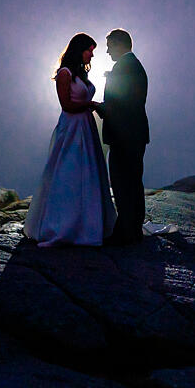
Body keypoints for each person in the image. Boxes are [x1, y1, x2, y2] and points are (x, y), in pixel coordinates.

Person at [24, 33, 116, 247]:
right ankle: (64, 224)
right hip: (72, 128)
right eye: (89, 50)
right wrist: (91, 105)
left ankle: (89, 222)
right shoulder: (64, 74)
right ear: (79, 49)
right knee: (69, 172)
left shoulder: (81, 74)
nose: (92, 55)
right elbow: (66, 105)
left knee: (89, 171)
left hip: (85, 127)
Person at [96, 28, 149, 245]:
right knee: (132, 182)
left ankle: (127, 232)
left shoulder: (126, 67)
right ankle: (131, 228)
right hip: (133, 135)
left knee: (123, 183)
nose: (107, 51)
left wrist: (99, 108)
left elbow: (122, 104)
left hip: (124, 137)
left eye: (109, 46)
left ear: (119, 44)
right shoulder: (132, 66)